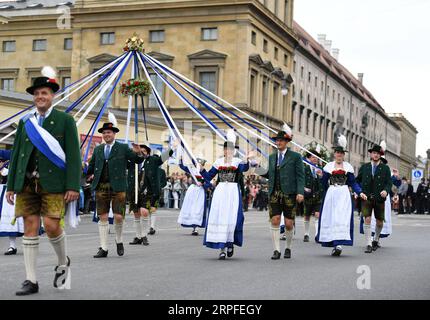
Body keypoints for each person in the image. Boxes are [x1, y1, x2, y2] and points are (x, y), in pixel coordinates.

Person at [6, 71, 81, 295]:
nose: (40, 96)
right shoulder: (25, 122)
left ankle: (62, 262)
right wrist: (11, 185)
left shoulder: (65, 120)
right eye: (37, 93)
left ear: (52, 96)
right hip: (27, 183)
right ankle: (31, 280)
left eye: (44, 93)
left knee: (50, 225)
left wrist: (72, 186)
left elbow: (73, 155)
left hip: (54, 183)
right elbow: (17, 153)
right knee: (29, 227)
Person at [86, 122, 144, 258]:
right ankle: (104, 248)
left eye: (109, 132)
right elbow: (91, 167)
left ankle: (119, 240)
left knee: (118, 216)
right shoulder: (98, 149)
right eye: (104, 132)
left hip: (118, 186)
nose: (106, 134)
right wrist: (82, 168)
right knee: (103, 216)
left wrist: (138, 152)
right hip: (101, 185)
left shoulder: (123, 148)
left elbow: (136, 160)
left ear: (114, 134)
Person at [254, 124, 305, 260]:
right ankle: (276, 250)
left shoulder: (295, 156)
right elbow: (269, 174)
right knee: (275, 220)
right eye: (277, 140)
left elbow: (300, 176)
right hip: (274, 193)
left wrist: (300, 192)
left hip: (289, 194)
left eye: (281, 140)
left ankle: (288, 247)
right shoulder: (272, 157)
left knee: (288, 223)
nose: (278, 142)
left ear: (287, 142)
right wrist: (257, 168)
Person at [201, 131, 252, 260]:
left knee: (232, 218)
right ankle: (222, 248)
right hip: (220, 191)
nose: (228, 151)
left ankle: (230, 243)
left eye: (230, 149)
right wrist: (201, 170)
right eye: (226, 149)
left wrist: (246, 160)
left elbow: (244, 169)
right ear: (224, 150)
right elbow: (209, 176)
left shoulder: (237, 162)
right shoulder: (218, 162)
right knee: (220, 217)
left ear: (233, 150)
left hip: (233, 192)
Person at [316, 137, 365, 257]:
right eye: (337, 153)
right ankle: (333, 243)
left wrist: (360, 192)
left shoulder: (348, 167)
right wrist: (320, 176)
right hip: (332, 193)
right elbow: (323, 184)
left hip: (343, 194)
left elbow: (353, 182)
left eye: (341, 153)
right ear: (335, 154)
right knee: (332, 217)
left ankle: (339, 244)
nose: (339, 155)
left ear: (343, 155)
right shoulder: (328, 166)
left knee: (341, 218)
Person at [356, 144, 393, 253]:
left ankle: (376, 239)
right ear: (371, 154)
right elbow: (357, 180)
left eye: (378, 153)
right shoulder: (365, 167)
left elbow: (389, 182)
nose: (375, 155)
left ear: (380, 155)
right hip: (366, 197)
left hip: (379, 198)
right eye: (374, 153)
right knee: (367, 219)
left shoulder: (385, 168)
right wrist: (359, 192)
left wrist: (386, 190)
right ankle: (368, 243)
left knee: (379, 222)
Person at [0, 150, 25, 256]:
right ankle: (12, 246)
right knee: (8, 220)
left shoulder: (14, 164)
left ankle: (17, 245)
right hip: (4, 192)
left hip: (15, 193)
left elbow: (8, 173)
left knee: (16, 219)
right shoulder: (6, 163)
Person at [178, 158, 209, 236]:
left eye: (200, 164)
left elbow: (209, 183)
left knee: (198, 209)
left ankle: (196, 228)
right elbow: (182, 166)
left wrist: (203, 184)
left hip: (200, 192)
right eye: (197, 164)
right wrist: (180, 158)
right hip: (192, 190)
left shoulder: (205, 173)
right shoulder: (192, 170)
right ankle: (193, 226)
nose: (198, 165)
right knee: (191, 208)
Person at [303, 150, 324, 242]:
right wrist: (304, 188)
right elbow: (301, 179)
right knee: (307, 215)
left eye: (316, 157)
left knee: (317, 215)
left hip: (318, 195)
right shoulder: (305, 168)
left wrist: (321, 176)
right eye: (313, 157)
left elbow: (323, 182)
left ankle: (317, 235)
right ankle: (306, 234)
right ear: (309, 158)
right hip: (308, 195)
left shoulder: (321, 169)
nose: (315, 159)